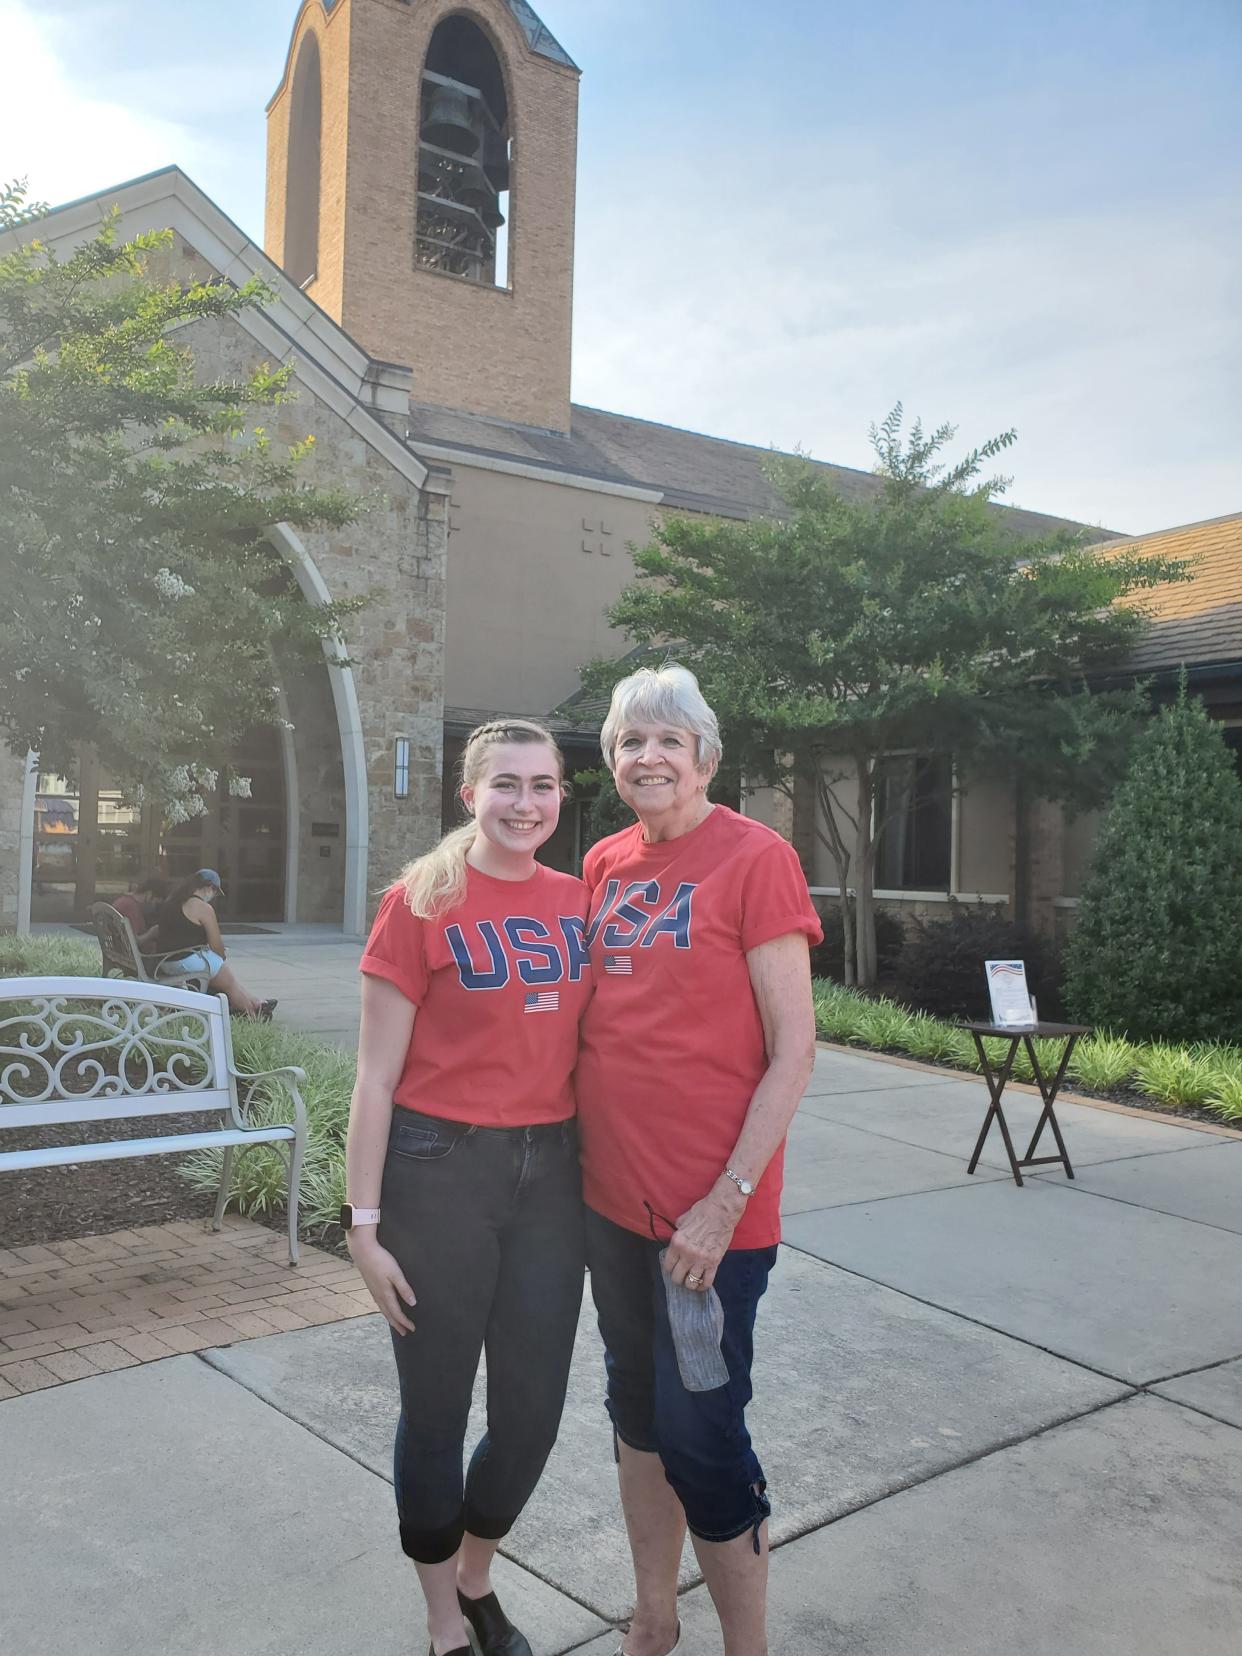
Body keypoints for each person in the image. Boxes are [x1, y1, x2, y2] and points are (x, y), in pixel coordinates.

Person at [576, 665, 822, 1656]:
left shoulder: (756, 860)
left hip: (706, 1230)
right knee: (636, 1415)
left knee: (705, 1441)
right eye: (631, 741)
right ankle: (653, 1614)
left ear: (705, 759)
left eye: (668, 742)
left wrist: (725, 1203)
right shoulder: (602, 864)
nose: (648, 757)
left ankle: (746, 1648)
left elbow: (794, 1048)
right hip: (609, 1206)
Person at [345, 719, 592, 1656]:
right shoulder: (418, 903)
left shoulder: (582, 901)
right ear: (470, 795)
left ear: (561, 796)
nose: (525, 804)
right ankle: (445, 1618)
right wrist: (363, 1227)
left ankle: (475, 1571)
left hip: (550, 1176)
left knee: (531, 1412)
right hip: (437, 1171)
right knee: (439, 1408)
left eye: (542, 786)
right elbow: (374, 1075)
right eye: (506, 786)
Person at [153, 869, 275, 1019]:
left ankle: (257, 1001)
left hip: (165, 962)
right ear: (209, 887)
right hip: (185, 961)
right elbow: (216, 945)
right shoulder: (202, 908)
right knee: (228, 982)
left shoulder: (172, 902)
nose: (213, 896)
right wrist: (222, 957)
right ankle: (253, 1016)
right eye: (215, 892)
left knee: (230, 981)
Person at [111, 874, 168, 948]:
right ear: (149, 894)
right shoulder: (131, 908)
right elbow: (132, 942)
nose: (154, 906)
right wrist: (150, 934)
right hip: (133, 955)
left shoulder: (124, 900)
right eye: (155, 902)